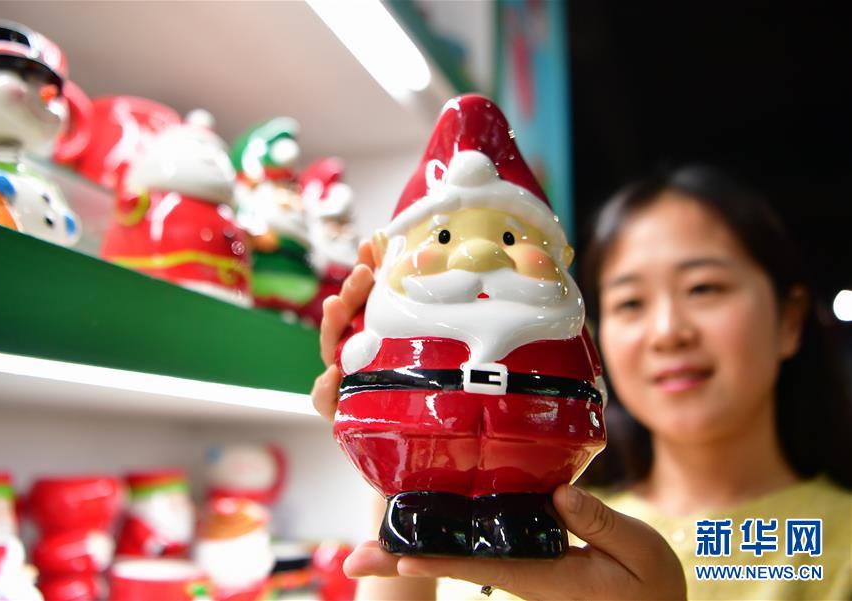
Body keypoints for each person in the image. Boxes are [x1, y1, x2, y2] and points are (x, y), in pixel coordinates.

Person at [311, 165, 852, 600]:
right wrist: (396, 470)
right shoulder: (539, 513)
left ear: (790, 320)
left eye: (704, 288)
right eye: (631, 302)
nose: (667, 332)